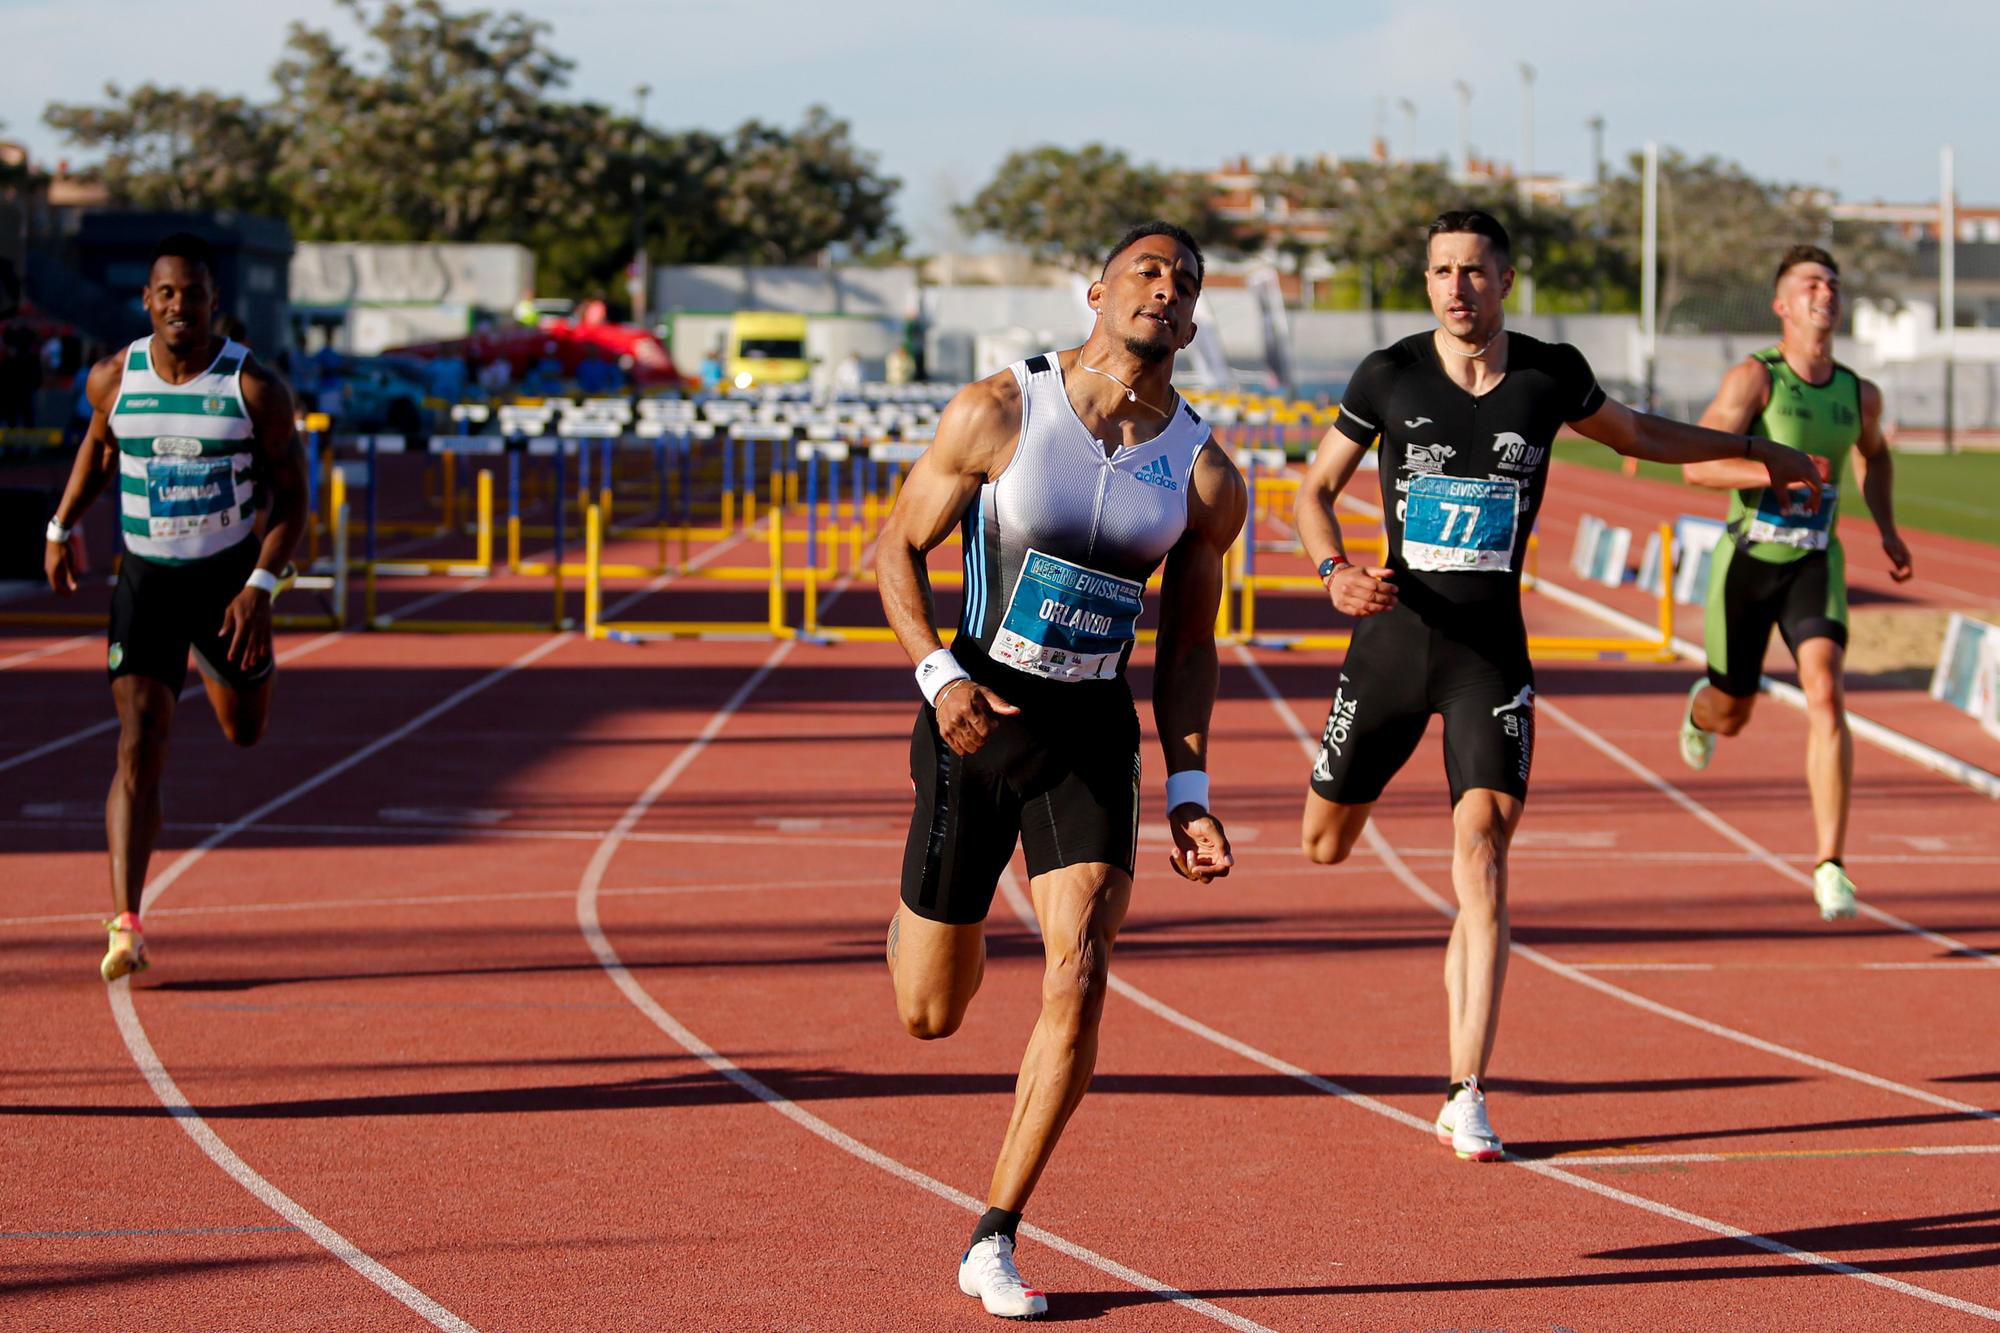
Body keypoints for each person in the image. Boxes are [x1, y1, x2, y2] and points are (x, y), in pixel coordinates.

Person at [1295, 210, 1822, 1163]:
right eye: (1442, 272)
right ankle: (1436, 956)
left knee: (1484, 850)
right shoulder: (1388, 374)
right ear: (1428, 283)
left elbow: (1641, 437)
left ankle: (1466, 1088)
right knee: (1324, 845)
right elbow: (1311, 489)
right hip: (1391, 646)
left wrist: (1764, 457)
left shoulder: (1549, 374)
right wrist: (1334, 570)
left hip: (1488, 656)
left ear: (1505, 281)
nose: (1457, 287)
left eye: (1475, 272)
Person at [876, 221, 1244, 1318]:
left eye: (1183, 281)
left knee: (1078, 969)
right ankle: (925, 916)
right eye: (1144, 272)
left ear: (1193, 314)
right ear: (1094, 290)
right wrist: (938, 676)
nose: (1164, 291)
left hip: (1088, 732)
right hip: (975, 721)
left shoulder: (1204, 472)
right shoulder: (999, 410)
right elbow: (895, 548)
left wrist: (1188, 789)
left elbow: (1186, 645)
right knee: (929, 1012)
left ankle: (994, 1232)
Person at [43, 232, 307, 982]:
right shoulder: (113, 378)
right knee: (139, 741)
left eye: (192, 292)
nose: (178, 305)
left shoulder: (253, 388)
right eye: (166, 292)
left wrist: (261, 587)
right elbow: (98, 448)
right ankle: (125, 923)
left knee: (244, 731)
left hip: (228, 587)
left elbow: (294, 500)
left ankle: (234, 664)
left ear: (213, 301)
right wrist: (61, 525)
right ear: (147, 300)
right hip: (148, 580)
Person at [1676, 244, 1913, 920]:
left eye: (1834, 282)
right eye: (1811, 282)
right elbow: (1698, 467)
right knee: (1735, 712)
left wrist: (1889, 528)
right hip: (1748, 563)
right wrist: (1771, 470)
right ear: (1783, 305)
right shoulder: (1755, 380)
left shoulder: (1858, 392)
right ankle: (1704, 706)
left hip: (1816, 559)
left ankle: (1831, 863)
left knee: (1826, 693)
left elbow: (1876, 456)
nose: (1825, 291)